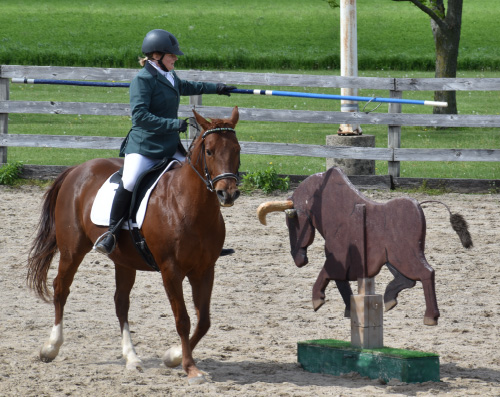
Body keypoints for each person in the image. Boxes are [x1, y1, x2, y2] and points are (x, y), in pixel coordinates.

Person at [94, 29, 236, 255]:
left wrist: (216, 88)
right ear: (156, 55)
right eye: (172, 55)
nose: (176, 58)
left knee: (200, 177)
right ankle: (110, 234)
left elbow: (188, 87)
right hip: (145, 147)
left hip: (170, 146)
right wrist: (173, 124)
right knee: (129, 181)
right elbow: (140, 117)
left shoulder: (169, 75)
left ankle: (205, 236)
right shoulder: (142, 81)